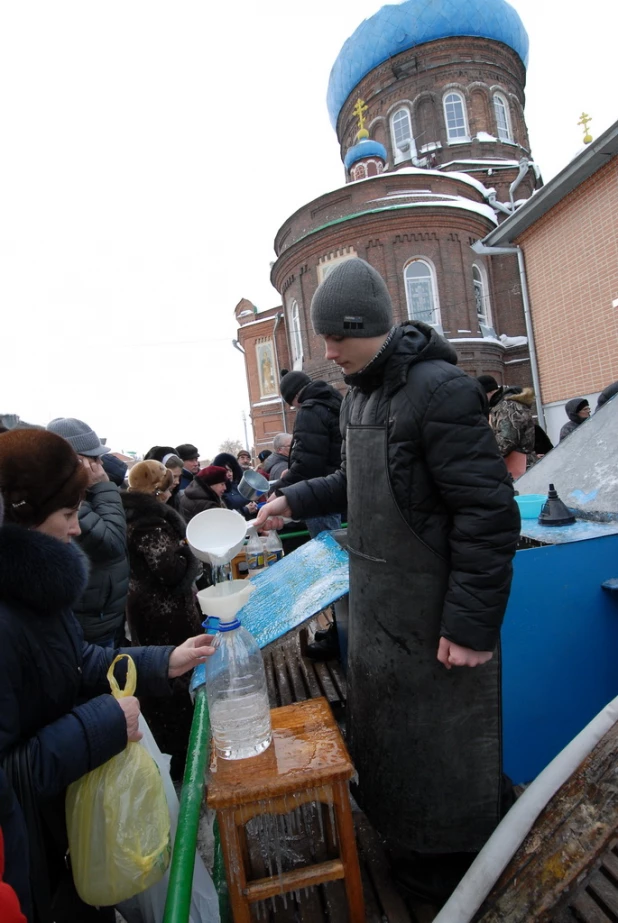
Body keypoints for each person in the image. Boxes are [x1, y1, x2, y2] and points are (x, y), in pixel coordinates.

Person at [255, 258, 520, 904]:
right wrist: (293, 501)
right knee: (396, 750)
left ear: (362, 325)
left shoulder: (440, 391)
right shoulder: (360, 399)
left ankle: (460, 875)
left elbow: (488, 512)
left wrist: (470, 625)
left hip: (438, 624)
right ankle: (406, 845)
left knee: (449, 761)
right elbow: (356, 483)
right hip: (382, 619)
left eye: (334, 337)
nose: (326, 351)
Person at [0, 429, 214, 922]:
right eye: (68, 515)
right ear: (24, 517)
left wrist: (165, 660)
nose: (77, 530)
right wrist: (102, 724)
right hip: (30, 863)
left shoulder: (35, 593)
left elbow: (80, 663)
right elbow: (7, 773)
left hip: (68, 833)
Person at [121, 461, 204, 779]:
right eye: (169, 489)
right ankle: (184, 752)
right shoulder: (149, 524)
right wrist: (188, 552)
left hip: (150, 610)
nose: (173, 494)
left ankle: (181, 746)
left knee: (168, 675)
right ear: (157, 492)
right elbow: (169, 572)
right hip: (163, 614)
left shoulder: (130, 517)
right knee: (174, 676)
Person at [46, 417, 130, 647]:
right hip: (91, 625)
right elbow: (111, 542)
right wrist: (103, 487)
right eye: (94, 458)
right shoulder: (67, 499)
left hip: (104, 616)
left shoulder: (86, 494)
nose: (100, 464)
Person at [277, 369, 343, 537]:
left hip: (318, 494)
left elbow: (308, 464)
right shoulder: (334, 402)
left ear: (294, 396)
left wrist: (281, 489)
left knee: (328, 553)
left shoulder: (310, 411)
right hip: (338, 488)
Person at [476, 376, 536, 478]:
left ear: (489, 392)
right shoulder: (499, 406)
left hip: (521, 467)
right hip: (516, 465)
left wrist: (482, 454)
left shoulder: (508, 406)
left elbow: (507, 441)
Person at [212, 452, 257, 519]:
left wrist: (253, 505)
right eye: (226, 471)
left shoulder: (238, 485)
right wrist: (246, 510)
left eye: (230, 470)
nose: (229, 474)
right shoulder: (219, 491)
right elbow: (225, 517)